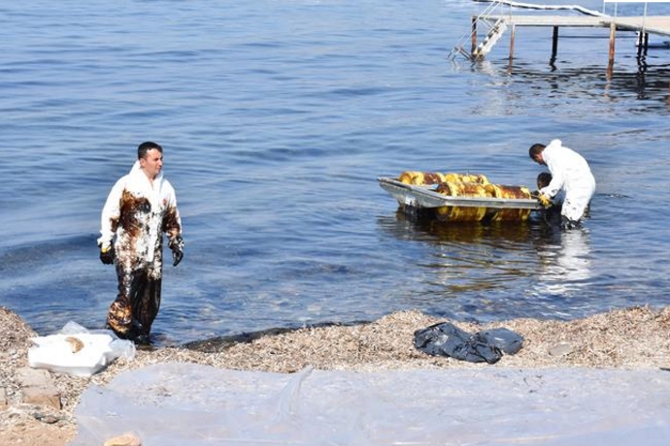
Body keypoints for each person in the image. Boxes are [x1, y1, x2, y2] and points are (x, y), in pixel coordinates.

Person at [97, 141, 184, 344]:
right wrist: (105, 243)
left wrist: (175, 241)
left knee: (150, 300)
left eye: (161, 158)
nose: (160, 163)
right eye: (156, 159)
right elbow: (110, 213)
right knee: (125, 295)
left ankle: (142, 337)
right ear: (142, 161)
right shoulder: (126, 185)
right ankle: (116, 328)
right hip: (129, 250)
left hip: (153, 254)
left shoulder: (166, 188)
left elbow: (172, 218)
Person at [529, 139, 595, 229]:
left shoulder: (551, 157)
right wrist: (541, 192)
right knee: (577, 216)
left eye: (537, 161)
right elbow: (561, 186)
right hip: (587, 184)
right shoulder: (561, 152)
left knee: (569, 222)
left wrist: (547, 195)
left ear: (537, 156)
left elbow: (558, 179)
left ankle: (572, 241)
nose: (540, 164)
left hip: (578, 187)